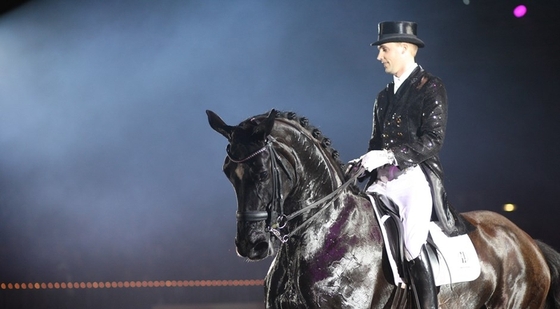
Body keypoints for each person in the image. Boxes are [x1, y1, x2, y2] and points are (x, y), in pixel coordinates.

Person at [350, 21, 473, 309]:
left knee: (412, 244)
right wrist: (362, 164)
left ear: (404, 48)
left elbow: (433, 140)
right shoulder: (382, 97)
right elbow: (374, 144)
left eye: (384, 49)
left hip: (413, 180)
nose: (380, 56)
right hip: (381, 183)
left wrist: (390, 156)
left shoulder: (430, 86)